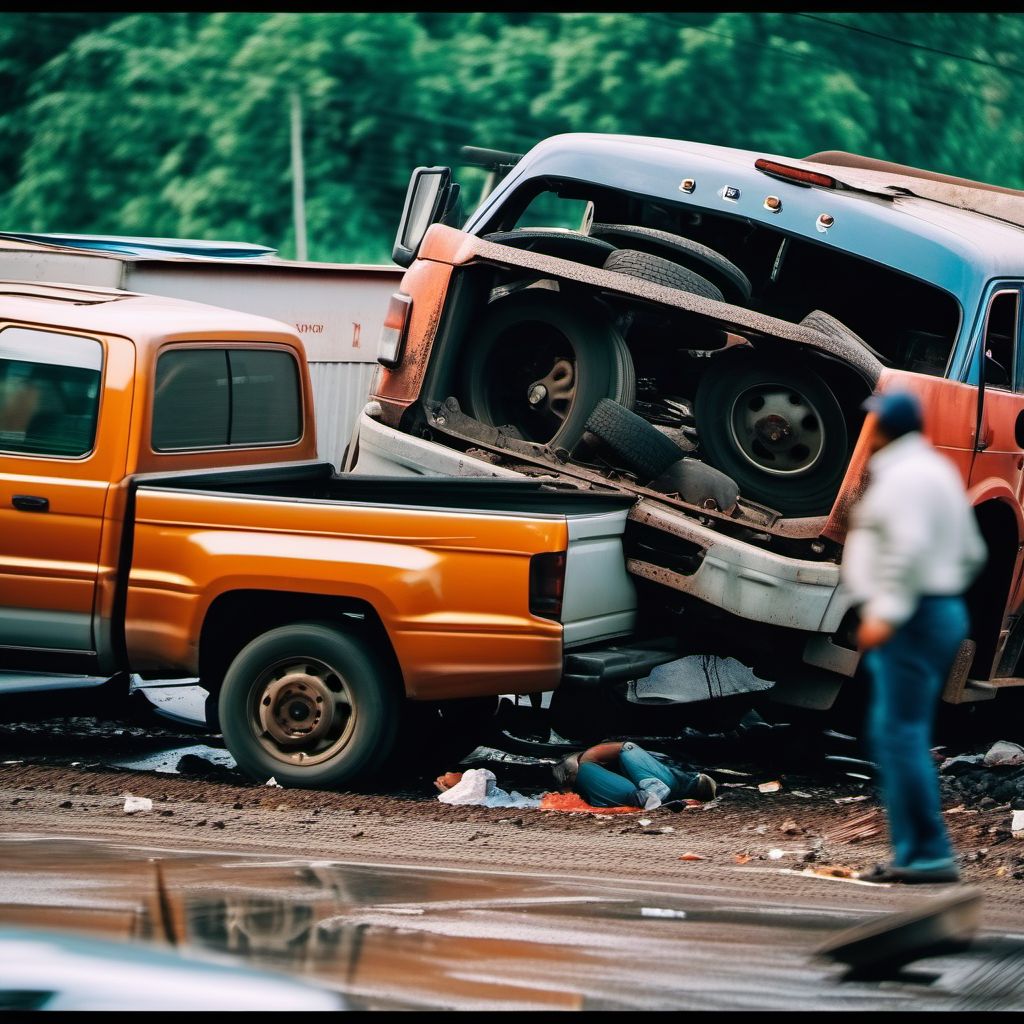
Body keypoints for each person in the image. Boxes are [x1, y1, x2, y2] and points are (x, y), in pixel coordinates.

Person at [841, 388, 987, 884]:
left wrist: (889, 611)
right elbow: (971, 553)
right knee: (904, 734)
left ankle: (925, 854)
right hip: (939, 609)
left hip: (912, 615)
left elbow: (906, 549)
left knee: (898, 736)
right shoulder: (935, 472)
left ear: (886, 428)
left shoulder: (902, 478)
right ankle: (919, 850)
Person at [552, 740, 717, 809]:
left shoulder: (587, 763)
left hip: (658, 786)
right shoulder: (586, 765)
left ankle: (650, 793)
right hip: (660, 785)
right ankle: (651, 792)